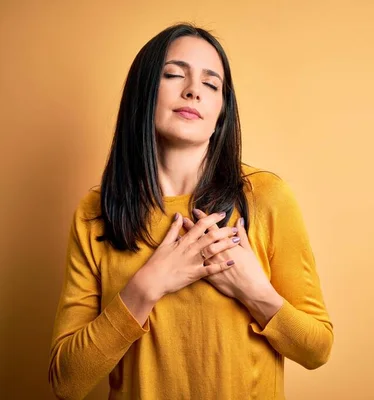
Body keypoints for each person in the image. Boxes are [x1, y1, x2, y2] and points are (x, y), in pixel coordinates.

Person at [48, 23, 333, 400]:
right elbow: (66, 383)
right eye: (173, 75)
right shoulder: (96, 212)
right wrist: (146, 288)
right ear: (143, 93)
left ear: (221, 113)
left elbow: (317, 349)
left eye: (211, 84)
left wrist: (254, 291)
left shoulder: (266, 197)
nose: (193, 91)